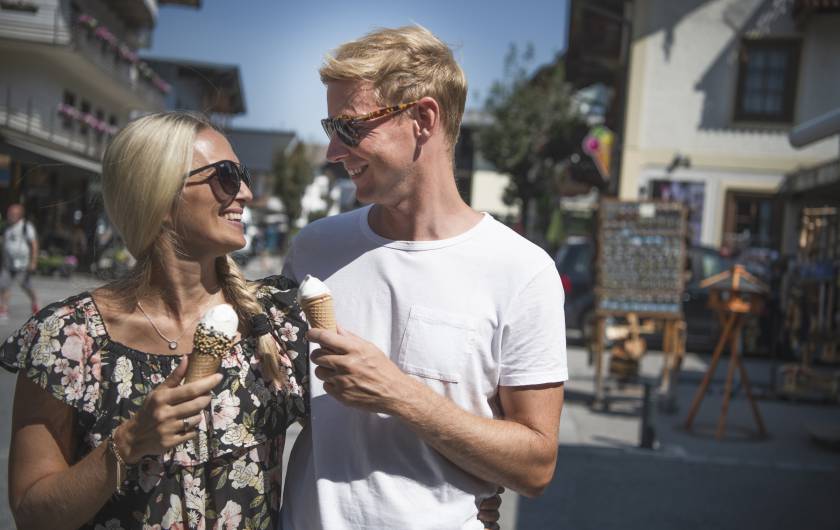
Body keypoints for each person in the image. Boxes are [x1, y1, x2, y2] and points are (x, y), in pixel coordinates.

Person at [281, 25, 567, 529]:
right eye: (330, 129)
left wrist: (401, 394)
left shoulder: (522, 271)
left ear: (422, 118)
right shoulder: (313, 249)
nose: (333, 151)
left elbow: (537, 466)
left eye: (349, 127)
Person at [1, 112, 309, 529]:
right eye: (227, 176)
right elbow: (33, 514)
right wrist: (128, 443)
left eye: (244, 174)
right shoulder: (68, 338)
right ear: (161, 195)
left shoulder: (276, 319)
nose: (247, 194)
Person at [0, 203, 40, 319]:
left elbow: (34, 244)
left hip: (23, 263)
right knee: (4, 285)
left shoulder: (26, 226)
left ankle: (35, 303)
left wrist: (33, 261)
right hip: (8, 263)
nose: (10, 215)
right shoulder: (7, 226)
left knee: (26, 285)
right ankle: (3, 308)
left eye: (13, 213)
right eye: (9, 213)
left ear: (19, 215)